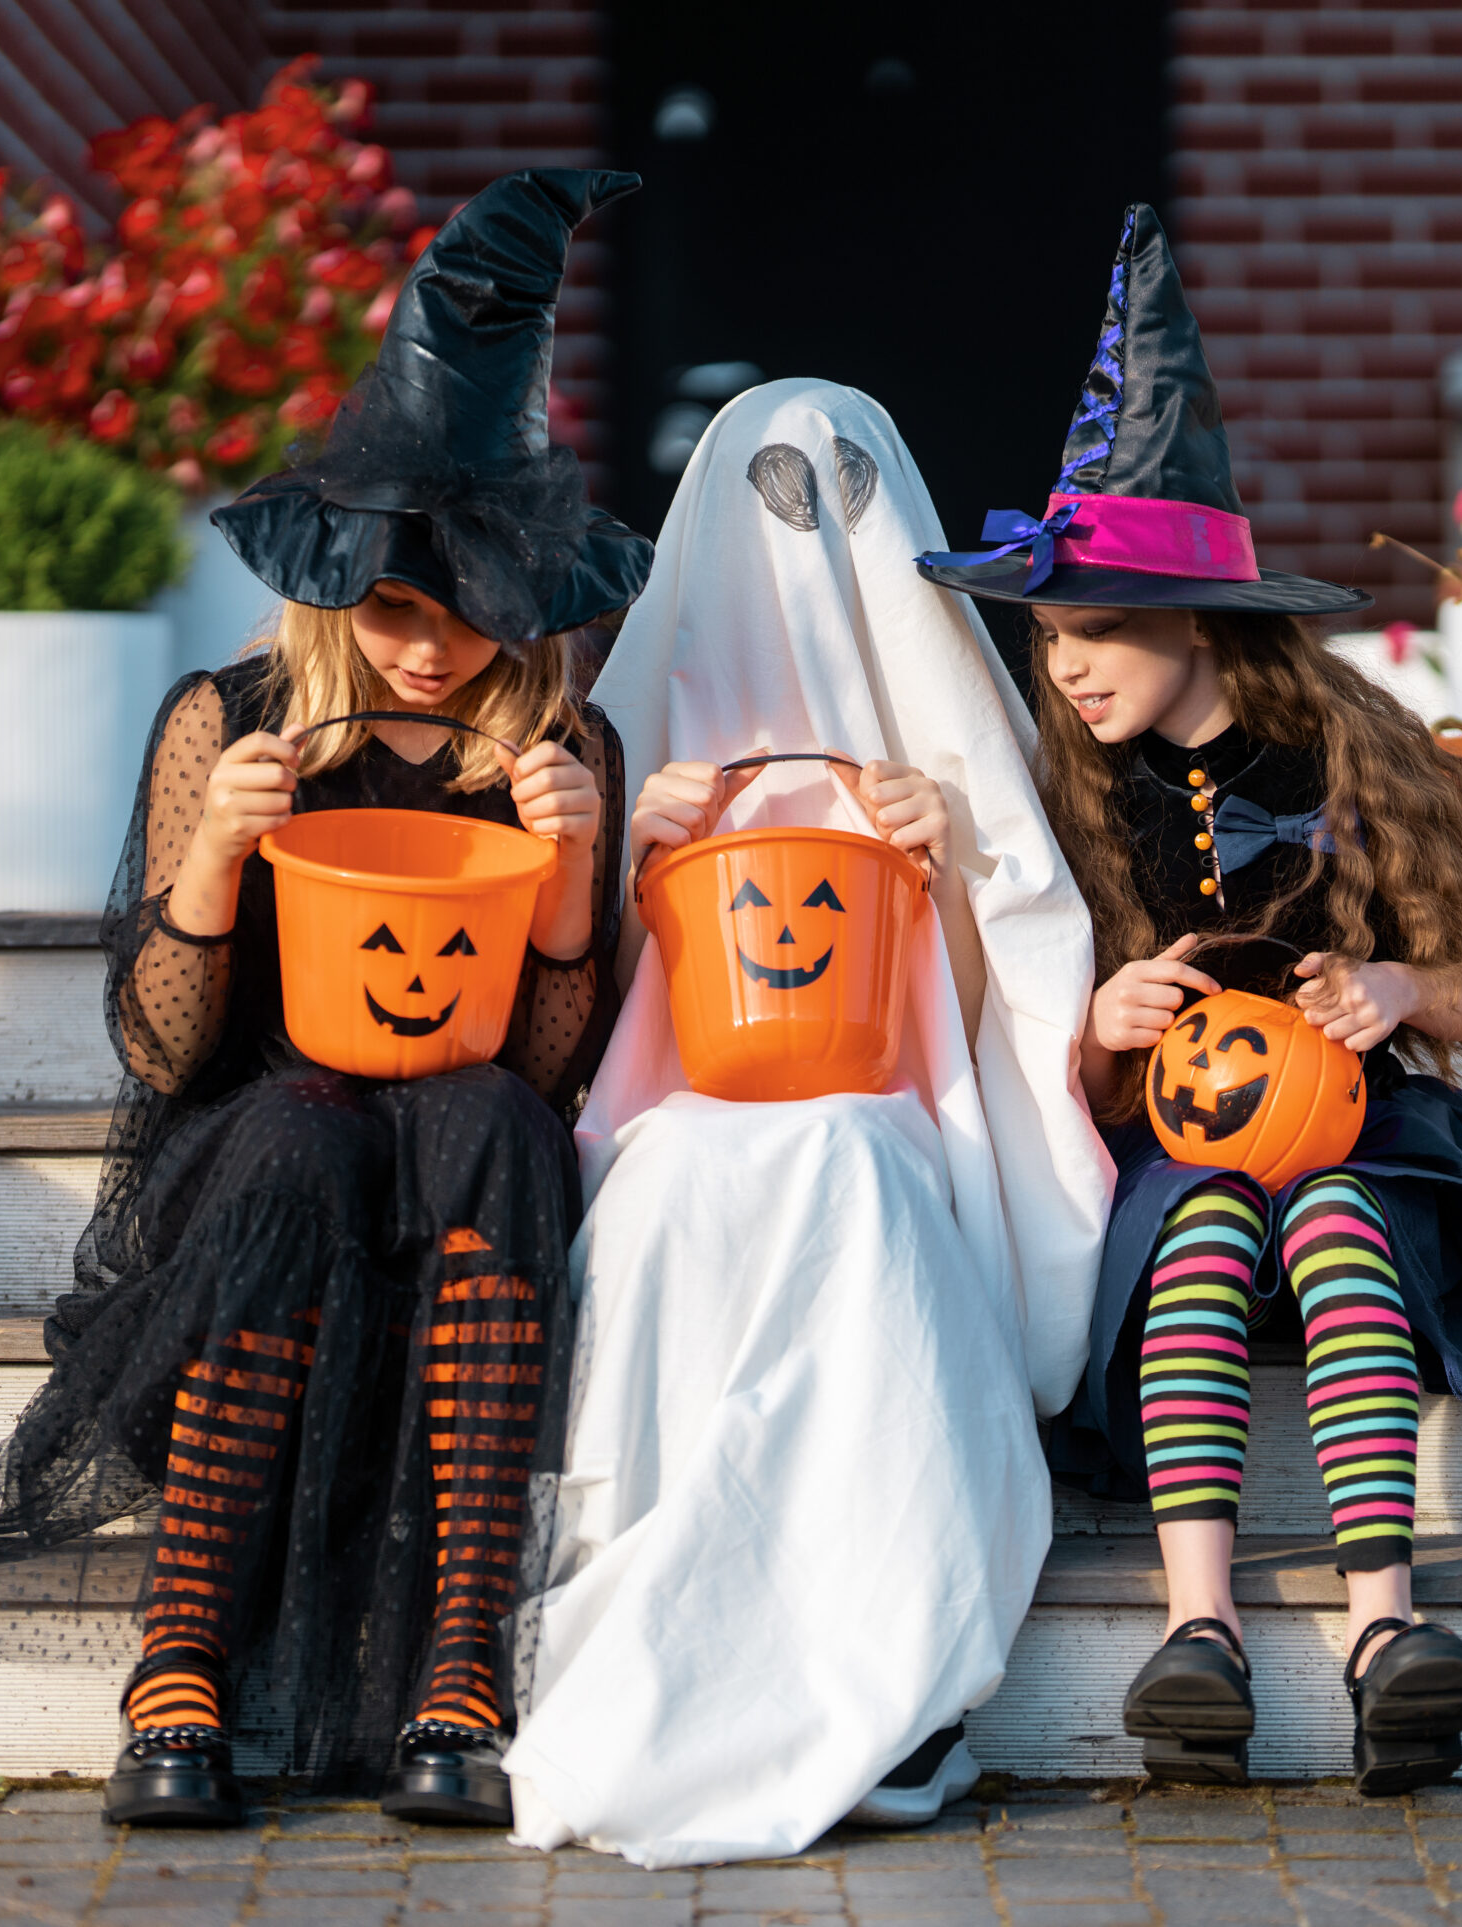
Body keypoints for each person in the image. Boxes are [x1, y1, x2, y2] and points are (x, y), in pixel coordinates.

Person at [0, 169, 653, 1831]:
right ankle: (180, 1649)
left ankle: (463, 1655)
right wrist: (217, 860)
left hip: (466, 1157)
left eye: (471, 614)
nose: (430, 651)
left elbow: (551, 1069)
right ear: (330, 585)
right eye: (393, 608)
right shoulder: (228, 720)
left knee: (491, 1120)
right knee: (308, 1123)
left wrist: (574, 874)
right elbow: (162, 1049)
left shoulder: (561, 749)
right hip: (265, 1149)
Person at [918, 206, 1462, 1796]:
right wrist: (1100, 1029)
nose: (1068, 667)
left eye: (1102, 629)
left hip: (1369, 1131)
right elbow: (1023, 1051)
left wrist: (1396, 982)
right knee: (1204, 1232)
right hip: (1178, 1146)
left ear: (1200, 618)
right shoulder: (1062, 792)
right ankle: (1198, 1631)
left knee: (1343, 1218)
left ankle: (1382, 1628)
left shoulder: (1353, 751)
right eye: (1052, 635)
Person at [499, 380, 1112, 1867]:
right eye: (768, 502)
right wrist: (634, 858)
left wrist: (949, 870)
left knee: (853, 1172)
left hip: (884, 1101)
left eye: (843, 498)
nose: (809, 545)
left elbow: (991, 1013)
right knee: (672, 1191)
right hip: (682, 1102)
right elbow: (590, 1006)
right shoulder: (636, 742)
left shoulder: (935, 752)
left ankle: (882, 1636)